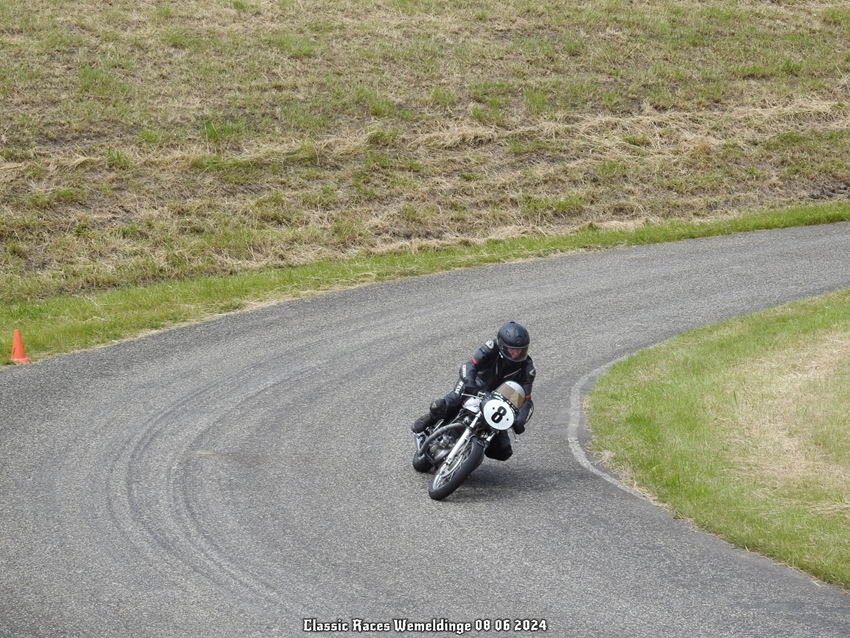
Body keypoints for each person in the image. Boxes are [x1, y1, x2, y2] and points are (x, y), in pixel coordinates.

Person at [411, 321, 536, 461]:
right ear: (502, 345)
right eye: (512, 349)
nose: (516, 354)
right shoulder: (491, 347)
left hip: (497, 401)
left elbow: (526, 399)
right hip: (475, 385)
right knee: (448, 403)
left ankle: (471, 449)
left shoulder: (528, 369)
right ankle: (428, 420)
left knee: (503, 450)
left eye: (520, 350)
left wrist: (520, 420)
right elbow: (470, 365)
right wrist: (469, 382)